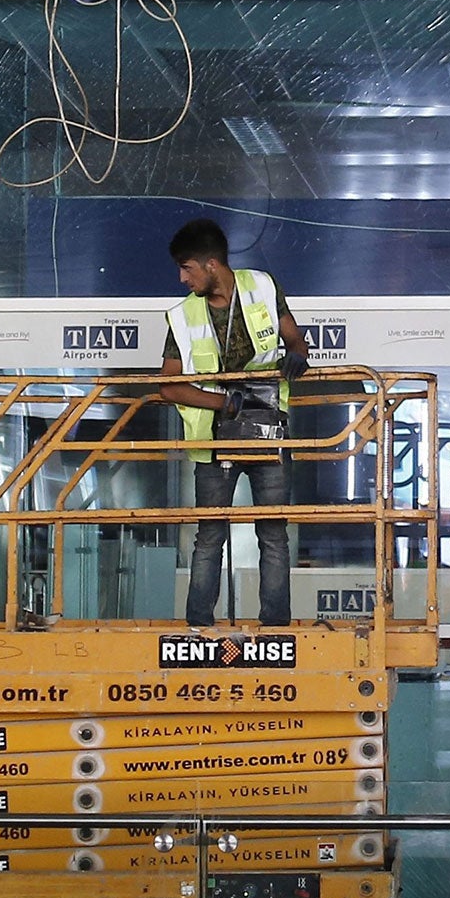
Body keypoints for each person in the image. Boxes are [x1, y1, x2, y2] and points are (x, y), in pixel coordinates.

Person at [159, 218, 310, 630]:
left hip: (267, 431)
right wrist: (222, 402)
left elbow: (295, 340)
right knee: (209, 536)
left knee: (273, 534)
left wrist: (297, 353)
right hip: (213, 438)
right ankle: (198, 627)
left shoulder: (261, 287)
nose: (182, 278)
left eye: (187, 268)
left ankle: (276, 627)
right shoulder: (183, 315)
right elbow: (168, 387)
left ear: (211, 265)